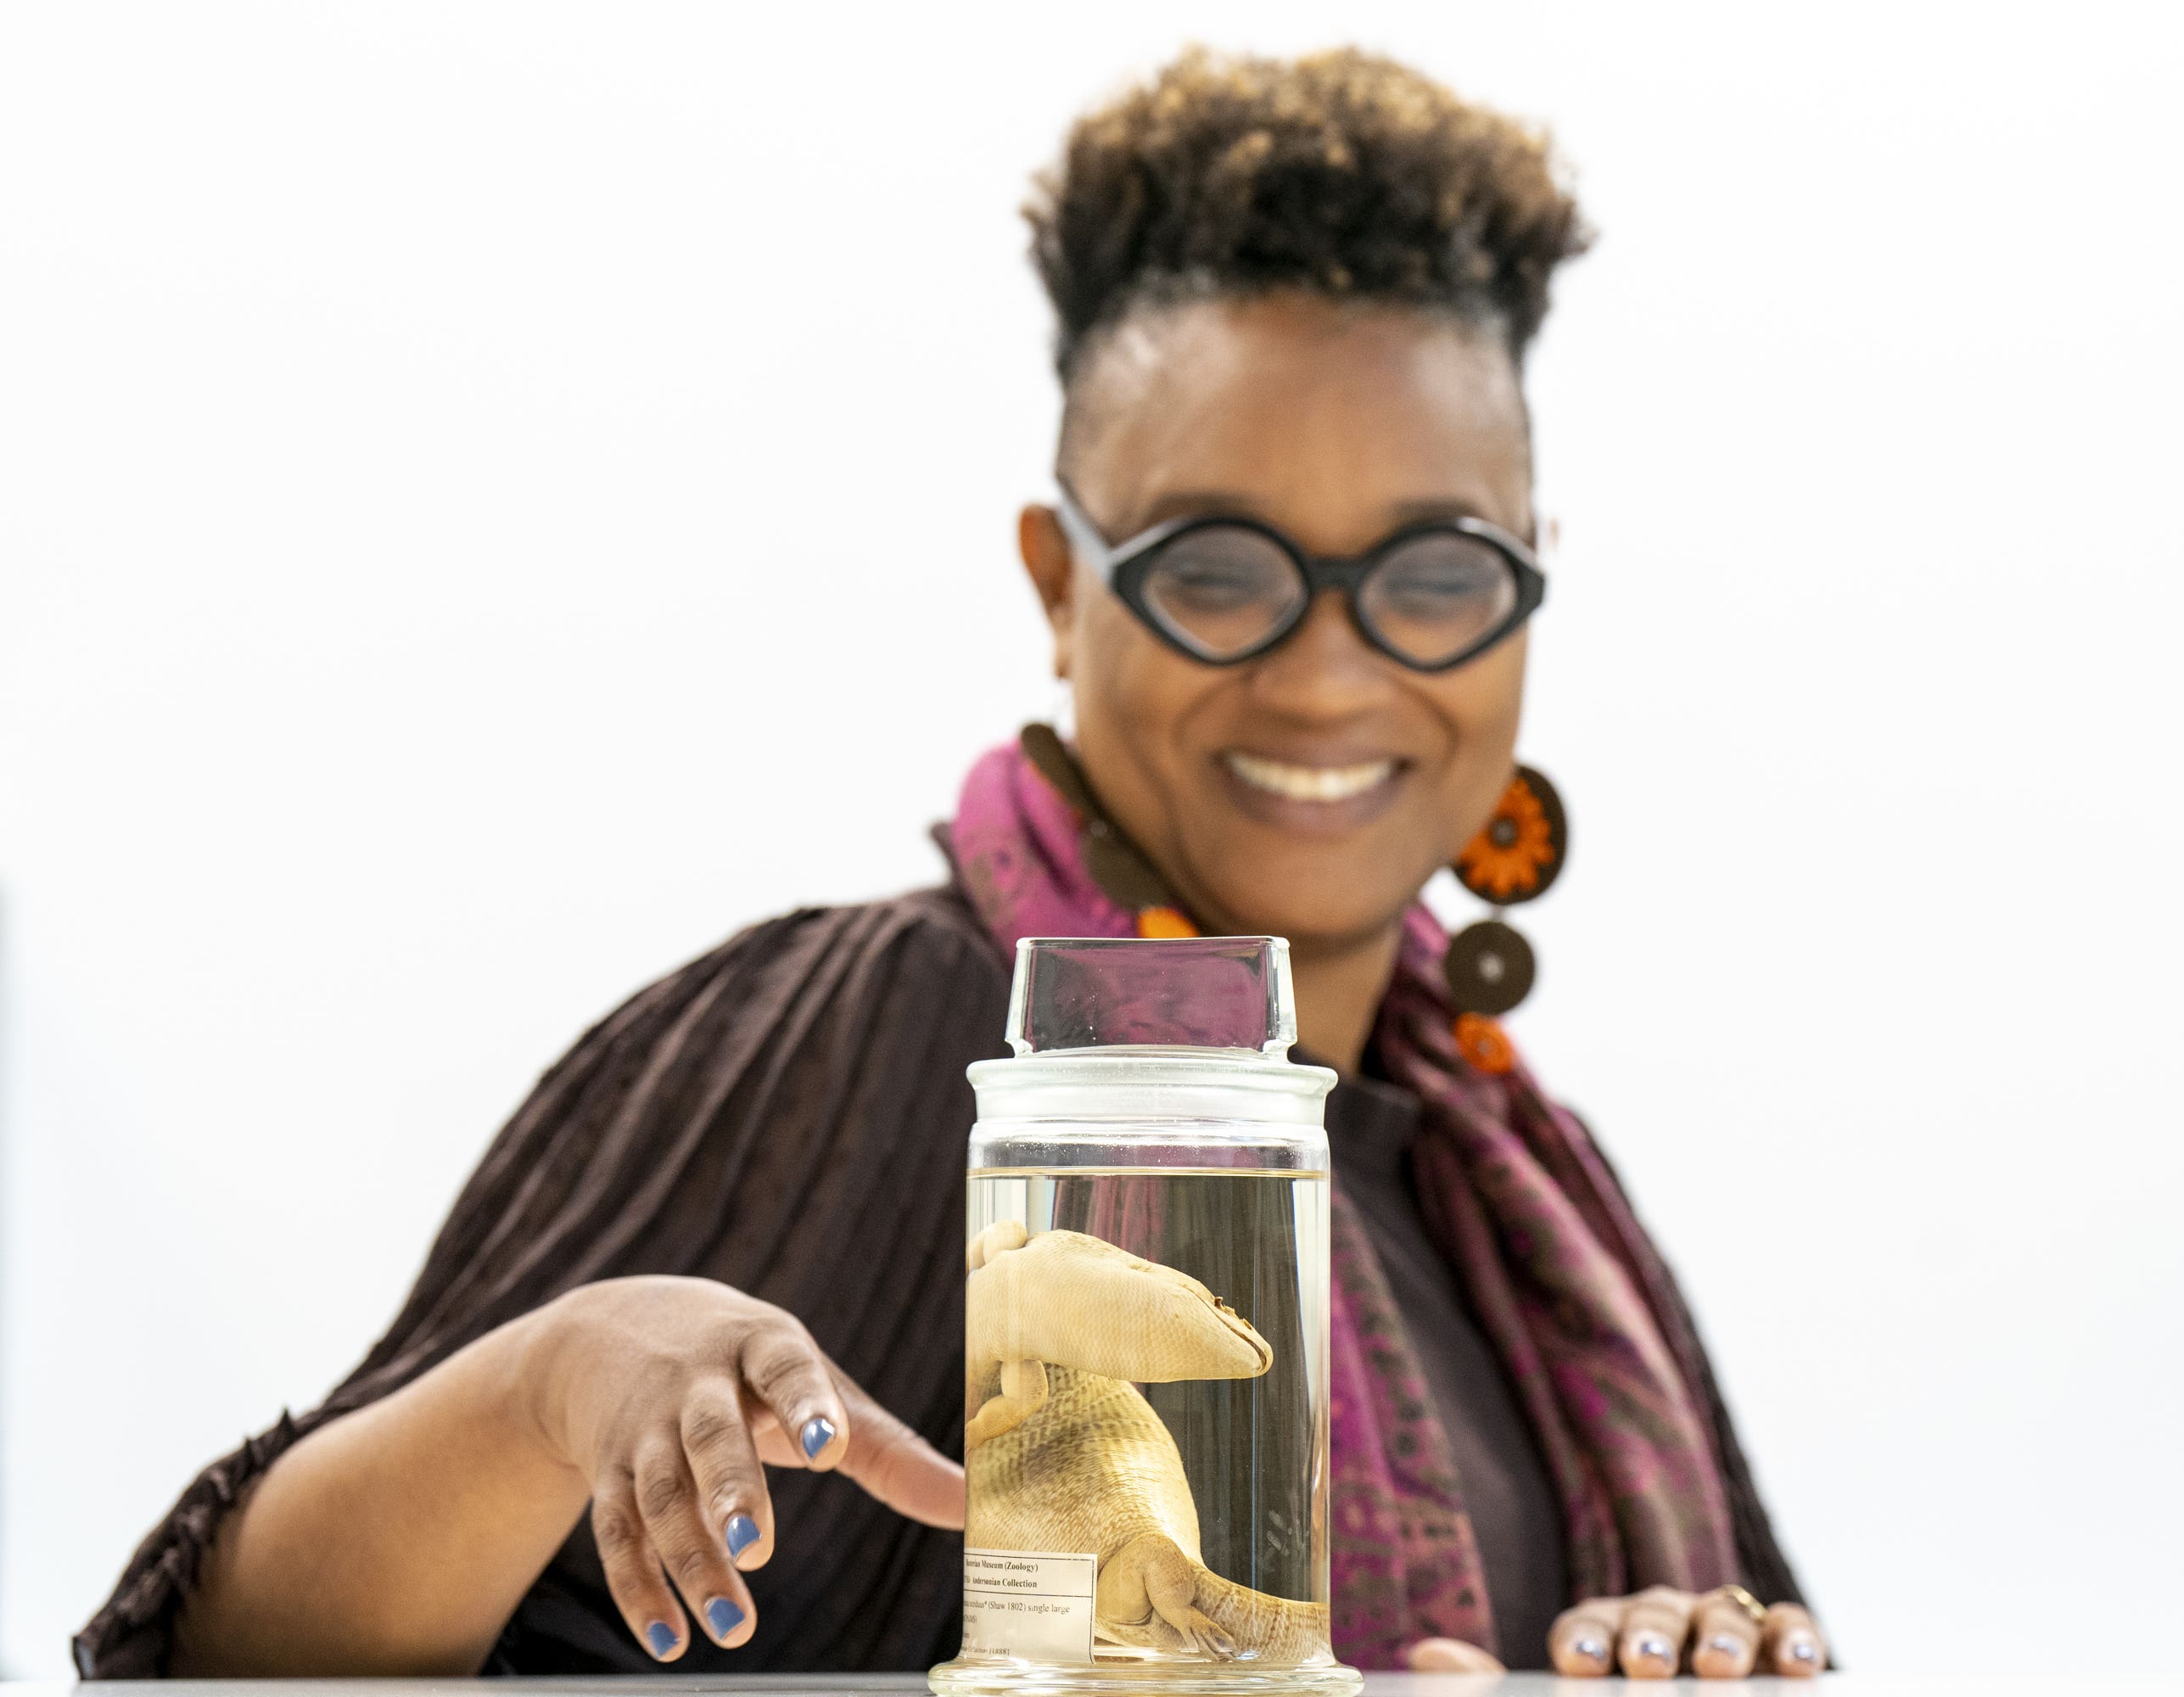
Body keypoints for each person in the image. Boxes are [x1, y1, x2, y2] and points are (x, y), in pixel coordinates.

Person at [78, 47, 1826, 1682]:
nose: (1327, 665)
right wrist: (543, 1382)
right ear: (1059, 585)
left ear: (1528, 585)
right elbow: (226, 1664)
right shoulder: (910, 1037)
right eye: (1216, 566)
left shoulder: (1513, 1182)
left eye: (1436, 572)